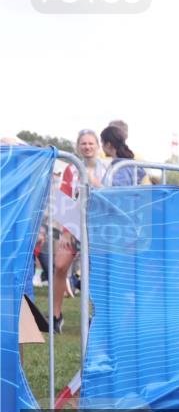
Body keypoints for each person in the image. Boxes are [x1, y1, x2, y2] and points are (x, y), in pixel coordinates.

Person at [51, 129, 107, 333]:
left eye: (91, 143)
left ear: (98, 146)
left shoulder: (107, 168)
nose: (87, 147)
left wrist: (93, 181)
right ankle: (56, 316)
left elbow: (110, 195)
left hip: (100, 225)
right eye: (83, 143)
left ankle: (97, 316)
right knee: (60, 265)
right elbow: (63, 199)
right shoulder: (70, 169)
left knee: (97, 272)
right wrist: (66, 231)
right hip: (74, 224)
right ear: (78, 146)